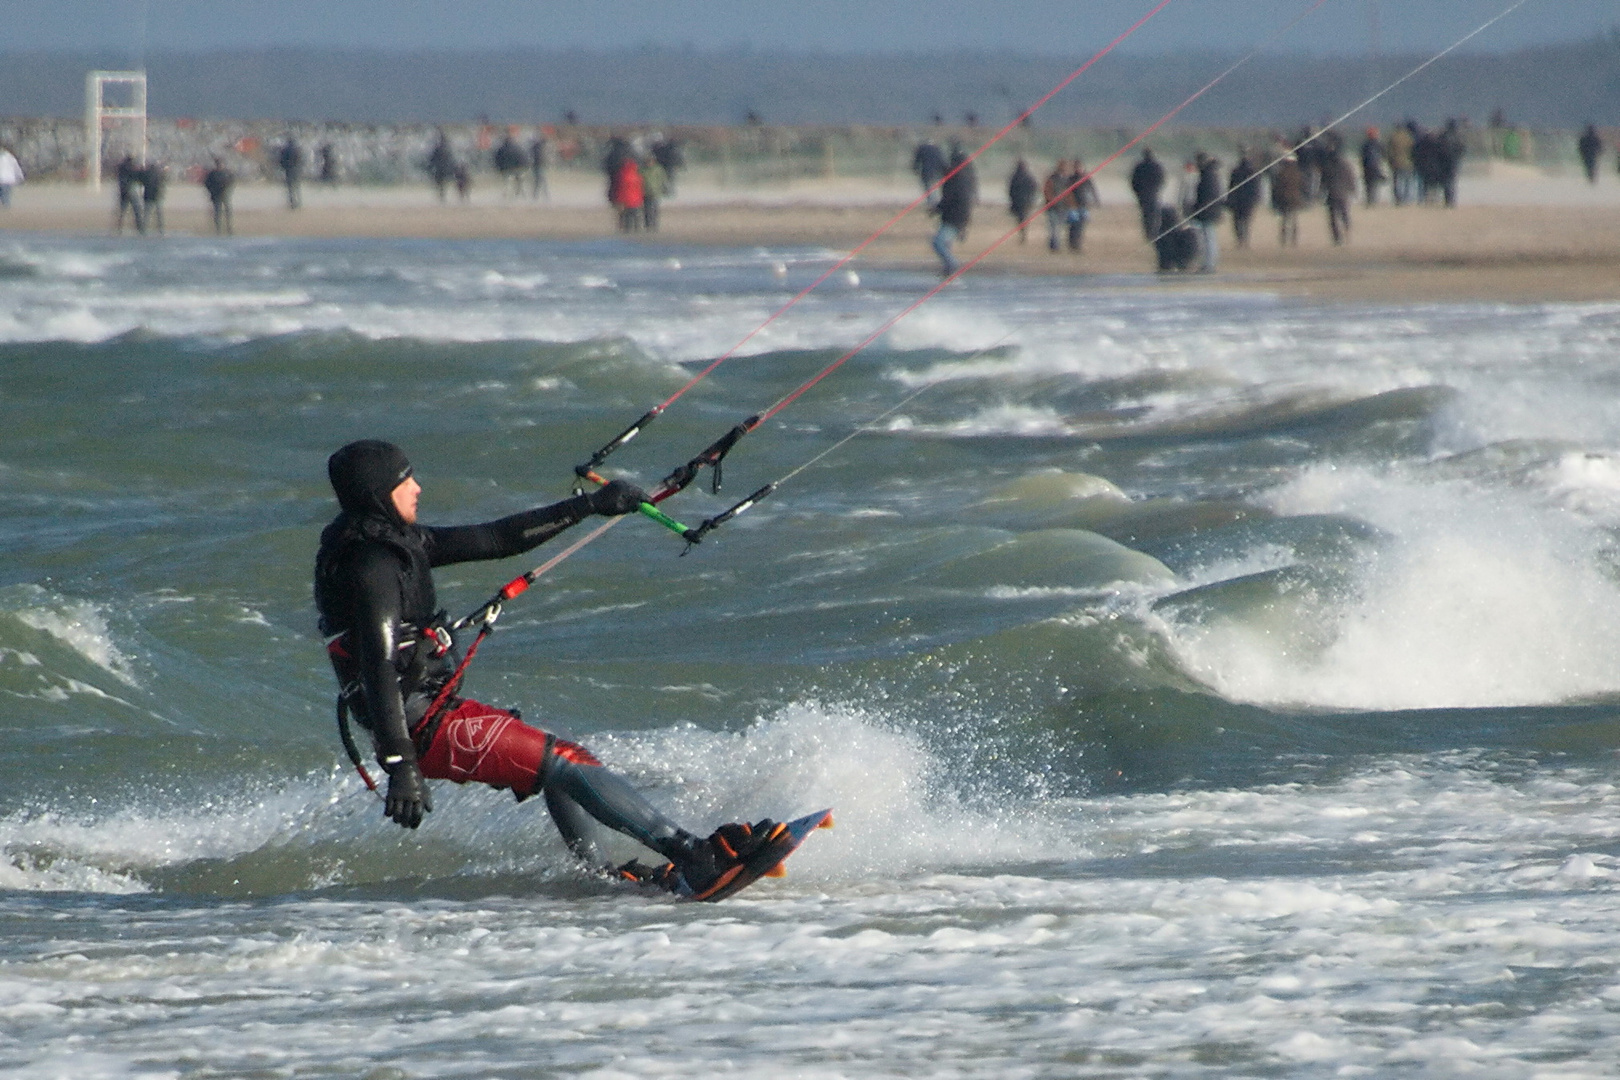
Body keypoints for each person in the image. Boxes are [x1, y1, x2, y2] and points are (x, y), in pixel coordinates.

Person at [314, 441, 788, 897]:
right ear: (380, 494)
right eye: (406, 480)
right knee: (565, 763)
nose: (417, 487)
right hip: (419, 723)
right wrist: (401, 765)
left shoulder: (392, 539)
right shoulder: (371, 563)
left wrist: (590, 506)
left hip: (430, 712)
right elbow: (377, 664)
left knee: (559, 764)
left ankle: (601, 877)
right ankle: (694, 856)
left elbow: (498, 538)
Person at [931, 146, 975, 275]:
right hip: (955, 217)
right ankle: (948, 270)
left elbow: (949, 200)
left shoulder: (955, 181)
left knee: (938, 242)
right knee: (946, 243)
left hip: (954, 219)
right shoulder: (963, 179)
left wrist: (937, 209)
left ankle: (952, 264)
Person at [1191, 152, 1224, 273]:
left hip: (1208, 212)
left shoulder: (1208, 175)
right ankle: (1208, 263)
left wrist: (1198, 208)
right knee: (1208, 238)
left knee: (1208, 239)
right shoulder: (1209, 174)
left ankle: (1209, 264)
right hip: (1208, 211)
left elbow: (1207, 196)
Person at [1225, 148, 1261, 249]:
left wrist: (1229, 200)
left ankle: (1240, 240)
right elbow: (1256, 188)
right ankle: (1245, 240)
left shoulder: (1235, 171)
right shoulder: (1253, 171)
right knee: (1246, 221)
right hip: (1248, 201)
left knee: (1237, 222)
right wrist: (1256, 199)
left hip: (1237, 200)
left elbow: (1231, 187)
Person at [1129, 147, 1166, 241]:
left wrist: (1138, 193)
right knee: (1155, 214)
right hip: (1154, 194)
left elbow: (1134, 182)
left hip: (1143, 195)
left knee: (1146, 215)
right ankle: (1154, 233)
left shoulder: (1139, 166)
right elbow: (1162, 180)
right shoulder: (1157, 166)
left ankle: (1148, 234)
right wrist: (1157, 190)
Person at [1270, 150, 1305, 247]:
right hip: (1295, 199)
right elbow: (1303, 186)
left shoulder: (1280, 173)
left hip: (1284, 199)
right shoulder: (1298, 173)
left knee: (1285, 220)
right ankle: (1294, 241)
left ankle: (1284, 241)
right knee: (1294, 220)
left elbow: (1276, 188)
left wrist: (1275, 200)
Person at [1064, 158, 1099, 254]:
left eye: (1079, 167)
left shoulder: (1085, 177)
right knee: (1073, 225)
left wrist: (1096, 200)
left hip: (1083, 204)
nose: (1078, 169)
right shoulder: (1071, 178)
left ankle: (1077, 244)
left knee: (1081, 225)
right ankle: (1072, 244)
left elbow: (1092, 189)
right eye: (1076, 167)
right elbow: (1066, 191)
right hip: (1073, 205)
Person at [1323, 148, 1356, 245]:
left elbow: (1324, 181)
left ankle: (1337, 238)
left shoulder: (1328, 165)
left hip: (1332, 194)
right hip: (1343, 194)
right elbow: (1351, 178)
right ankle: (1347, 234)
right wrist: (1353, 190)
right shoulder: (1346, 165)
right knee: (1344, 215)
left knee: (1333, 217)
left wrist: (1321, 192)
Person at [1042, 159, 1073, 253]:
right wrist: (1051, 200)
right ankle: (1054, 246)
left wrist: (1070, 204)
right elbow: (1046, 191)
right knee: (1054, 228)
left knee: (1059, 228)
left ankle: (1056, 245)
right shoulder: (1052, 179)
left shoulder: (1067, 179)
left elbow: (1069, 193)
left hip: (1063, 207)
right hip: (1053, 207)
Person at [1007, 158, 1038, 244]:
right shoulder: (1029, 176)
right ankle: (1023, 233)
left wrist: (1012, 199)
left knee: (1020, 218)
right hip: (1026, 202)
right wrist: (1031, 198)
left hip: (1018, 202)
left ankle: (1023, 233)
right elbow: (1034, 187)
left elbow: (1010, 189)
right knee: (1023, 217)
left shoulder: (1015, 176)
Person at [114, 153, 145, 234]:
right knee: (136, 210)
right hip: (131, 190)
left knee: (122, 211)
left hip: (123, 191)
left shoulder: (121, 168)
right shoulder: (131, 168)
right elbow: (137, 176)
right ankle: (139, 227)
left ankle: (119, 227)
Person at [610, 156, 643, 232]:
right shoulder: (636, 175)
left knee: (625, 216)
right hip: (635, 199)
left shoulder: (620, 174)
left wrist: (616, 198)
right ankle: (637, 229)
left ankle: (627, 229)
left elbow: (617, 187)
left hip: (624, 199)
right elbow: (640, 187)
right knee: (635, 215)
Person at [1387, 121, 1416, 206]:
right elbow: (1413, 150)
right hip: (1408, 163)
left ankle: (1398, 199)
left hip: (1396, 162)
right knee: (1407, 181)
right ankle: (1406, 198)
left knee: (1397, 182)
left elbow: (1389, 151)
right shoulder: (1408, 137)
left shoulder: (1392, 137)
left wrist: (1390, 161)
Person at [203, 157, 235, 236]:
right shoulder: (212, 174)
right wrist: (211, 192)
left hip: (225, 195)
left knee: (228, 212)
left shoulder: (227, 173)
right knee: (217, 213)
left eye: (221, 164)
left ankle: (229, 227)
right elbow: (207, 184)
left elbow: (232, 182)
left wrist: (227, 191)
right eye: (218, 164)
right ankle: (218, 229)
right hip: (216, 195)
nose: (220, 165)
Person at [912, 139, 947, 208]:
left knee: (928, 187)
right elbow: (942, 161)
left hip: (926, 172)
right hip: (937, 173)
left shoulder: (922, 148)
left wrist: (915, 168)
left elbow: (917, 160)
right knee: (935, 187)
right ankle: (937, 202)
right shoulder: (937, 149)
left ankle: (932, 202)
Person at [494, 131, 526, 197]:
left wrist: (499, 167)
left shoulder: (501, 149)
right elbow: (521, 158)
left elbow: (497, 159)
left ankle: (507, 195)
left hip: (505, 169)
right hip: (517, 168)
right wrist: (522, 166)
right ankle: (518, 194)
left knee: (507, 183)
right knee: (518, 182)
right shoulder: (517, 148)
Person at [427, 131, 457, 203]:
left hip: (442, 167)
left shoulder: (442, 149)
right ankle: (441, 194)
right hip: (441, 167)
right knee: (441, 182)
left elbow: (449, 158)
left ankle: (442, 194)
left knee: (441, 182)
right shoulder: (443, 149)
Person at [140, 160, 167, 236]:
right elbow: (163, 182)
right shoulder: (160, 174)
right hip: (157, 196)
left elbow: (141, 180)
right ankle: (161, 229)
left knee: (147, 214)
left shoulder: (146, 174)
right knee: (159, 214)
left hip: (148, 196)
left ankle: (144, 230)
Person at [278, 137, 303, 210]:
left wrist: (283, 167)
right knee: (296, 187)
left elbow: (281, 160)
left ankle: (292, 203)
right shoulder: (297, 149)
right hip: (296, 170)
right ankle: (298, 202)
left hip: (288, 170)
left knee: (290, 188)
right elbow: (300, 159)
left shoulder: (284, 150)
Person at [528, 132, 549, 199]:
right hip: (538, 166)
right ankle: (541, 195)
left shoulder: (534, 147)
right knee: (540, 181)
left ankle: (538, 195)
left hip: (536, 165)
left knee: (539, 181)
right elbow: (539, 157)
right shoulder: (537, 148)